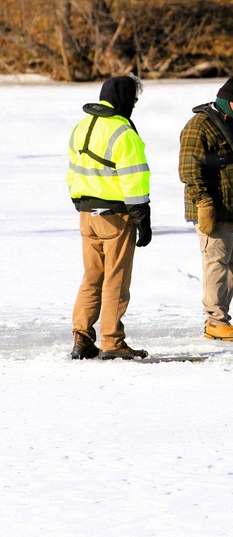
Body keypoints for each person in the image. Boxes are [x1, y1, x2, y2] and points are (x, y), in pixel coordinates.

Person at [67, 74, 151, 360]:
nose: (134, 106)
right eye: (134, 100)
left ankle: (82, 337)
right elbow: (134, 179)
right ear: (125, 99)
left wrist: (80, 203)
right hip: (116, 217)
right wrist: (142, 218)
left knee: (92, 277)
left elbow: (73, 171)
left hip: (86, 214)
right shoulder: (123, 132)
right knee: (116, 279)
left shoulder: (81, 126)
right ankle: (112, 341)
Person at [179, 73, 233, 341]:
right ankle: (215, 321)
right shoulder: (199, 126)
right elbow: (189, 169)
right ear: (227, 102)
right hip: (213, 208)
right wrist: (204, 202)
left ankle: (221, 318)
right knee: (216, 264)